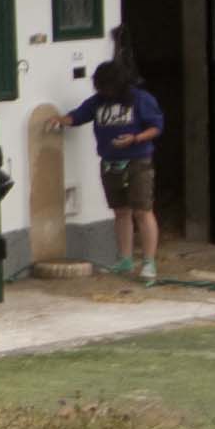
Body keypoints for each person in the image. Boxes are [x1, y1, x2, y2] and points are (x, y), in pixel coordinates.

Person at [69, 59, 166, 285]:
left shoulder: (141, 99)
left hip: (137, 160)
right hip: (110, 161)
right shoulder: (98, 101)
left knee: (143, 211)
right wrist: (60, 120)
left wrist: (135, 139)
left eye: (107, 86)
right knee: (120, 211)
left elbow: (156, 127)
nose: (104, 91)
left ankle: (149, 262)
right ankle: (125, 259)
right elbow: (78, 115)